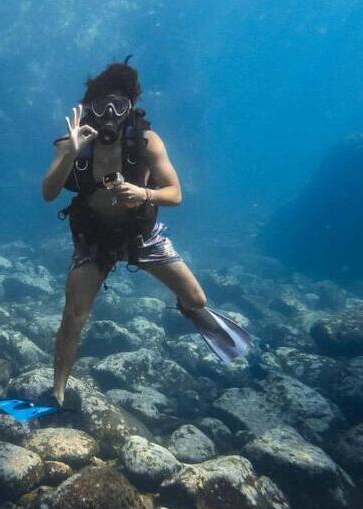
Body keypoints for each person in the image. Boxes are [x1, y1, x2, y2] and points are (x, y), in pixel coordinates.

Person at [42, 58, 250, 407]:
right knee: (74, 316)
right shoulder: (73, 143)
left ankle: (194, 312)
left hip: (141, 234)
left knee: (197, 300)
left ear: (130, 108)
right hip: (93, 239)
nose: (109, 113)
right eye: (101, 105)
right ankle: (58, 389)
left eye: (119, 105)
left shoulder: (147, 141)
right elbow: (48, 193)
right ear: (89, 107)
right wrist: (70, 155)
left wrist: (144, 194)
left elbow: (176, 194)